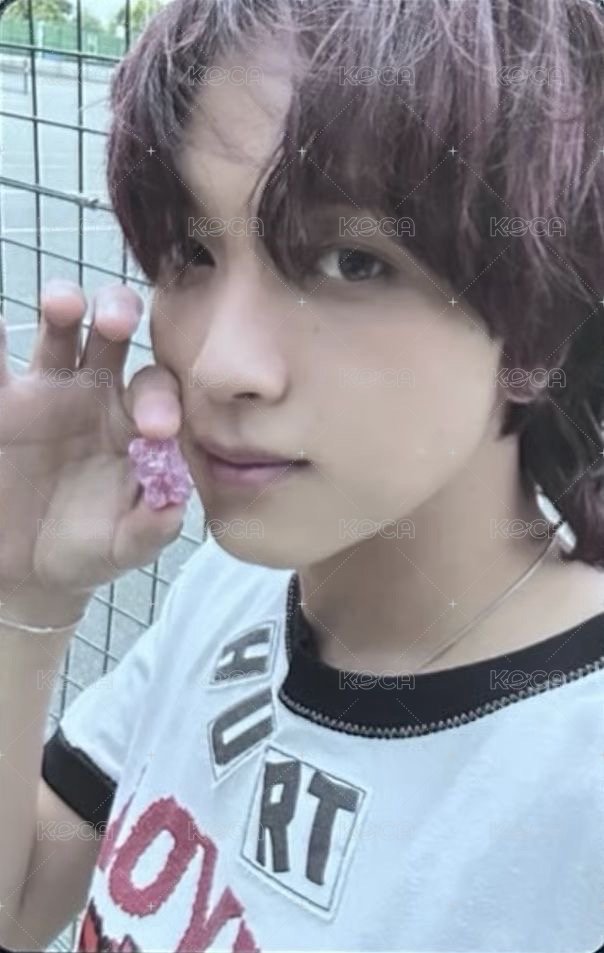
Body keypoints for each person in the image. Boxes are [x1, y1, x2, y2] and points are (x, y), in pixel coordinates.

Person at [1, 0, 604, 950]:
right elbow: (22, 895)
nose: (217, 365)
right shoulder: (233, 586)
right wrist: (26, 600)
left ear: (544, 310)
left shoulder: (573, 791)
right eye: (193, 250)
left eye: (351, 261)